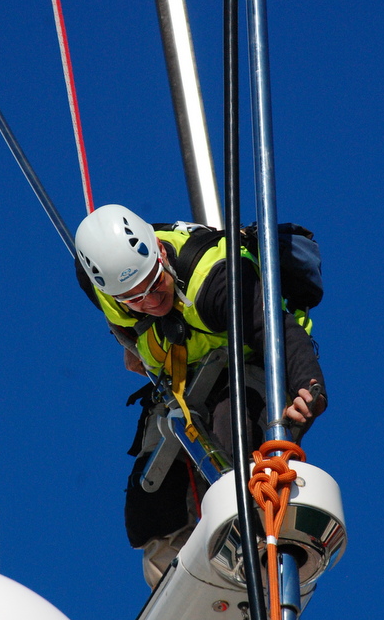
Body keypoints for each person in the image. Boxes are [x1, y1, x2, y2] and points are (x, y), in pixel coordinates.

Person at [74, 204, 327, 586]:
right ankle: (173, 584)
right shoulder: (100, 283)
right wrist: (132, 343)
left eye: (153, 284)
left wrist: (309, 387)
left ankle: (250, 550)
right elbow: (120, 309)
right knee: (149, 503)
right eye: (134, 298)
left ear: (160, 254)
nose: (149, 300)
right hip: (186, 373)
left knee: (231, 441)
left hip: (249, 359)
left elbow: (277, 330)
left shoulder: (215, 283)